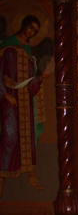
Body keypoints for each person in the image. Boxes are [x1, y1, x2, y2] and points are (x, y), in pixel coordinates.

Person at [0, 15, 48, 197]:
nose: (31, 32)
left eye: (35, 31)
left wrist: (40, 78)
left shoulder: (29, 52)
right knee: (9, 135)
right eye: (31, 27)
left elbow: (31, 83)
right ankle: (1, 178)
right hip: (9, 99)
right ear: (23, 25)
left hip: (25, 102)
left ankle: (31, 175)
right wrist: (4, 94)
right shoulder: (5, 46)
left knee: (28, 138)